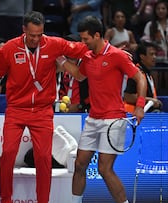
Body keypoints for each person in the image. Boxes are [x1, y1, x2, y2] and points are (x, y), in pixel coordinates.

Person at [0, 11, 88, 203]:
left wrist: (110, 50)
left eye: (39, 35)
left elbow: (81, 49)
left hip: (42, 111)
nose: (36, 39)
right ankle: (5, 199)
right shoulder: (10, 48)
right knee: (8, 154)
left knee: (44, 158)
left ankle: (43, 200)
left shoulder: (53, 44)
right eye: (32, 35)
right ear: (24, 30)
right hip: (16, 109)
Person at [57, 15, 147, 203]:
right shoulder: (87, 58)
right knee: (79, 164)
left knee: (104, 169)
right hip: (93, 118)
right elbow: (79, 76)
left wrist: (139, 106)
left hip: (113, 120)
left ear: (97, 35)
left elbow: (140, 78)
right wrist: (61, 59)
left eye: (85, 39)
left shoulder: (117, 55)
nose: (83, 42)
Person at [124, 41, 163, 112]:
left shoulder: (147, 73)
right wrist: (150, 100)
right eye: (151, 54)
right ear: (142, 56)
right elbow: (128, 97)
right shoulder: (136, 73)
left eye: (155, 54)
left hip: (147, 115)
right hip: (133, 116)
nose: (154, 57)